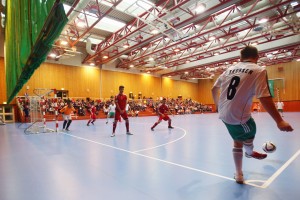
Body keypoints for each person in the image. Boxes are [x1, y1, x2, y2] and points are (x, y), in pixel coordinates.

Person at [211, 46, 293, 184]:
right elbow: (264, 97)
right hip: (239, 116)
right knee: (249, 133)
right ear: (257, 57)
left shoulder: (228, 70)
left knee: (238, 140)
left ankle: (239, 172)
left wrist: (217, 106)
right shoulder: (258, 70)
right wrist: (279, 121)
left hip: (224, 114)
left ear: (240, 58)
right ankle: (248, 154)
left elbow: (214, 88)